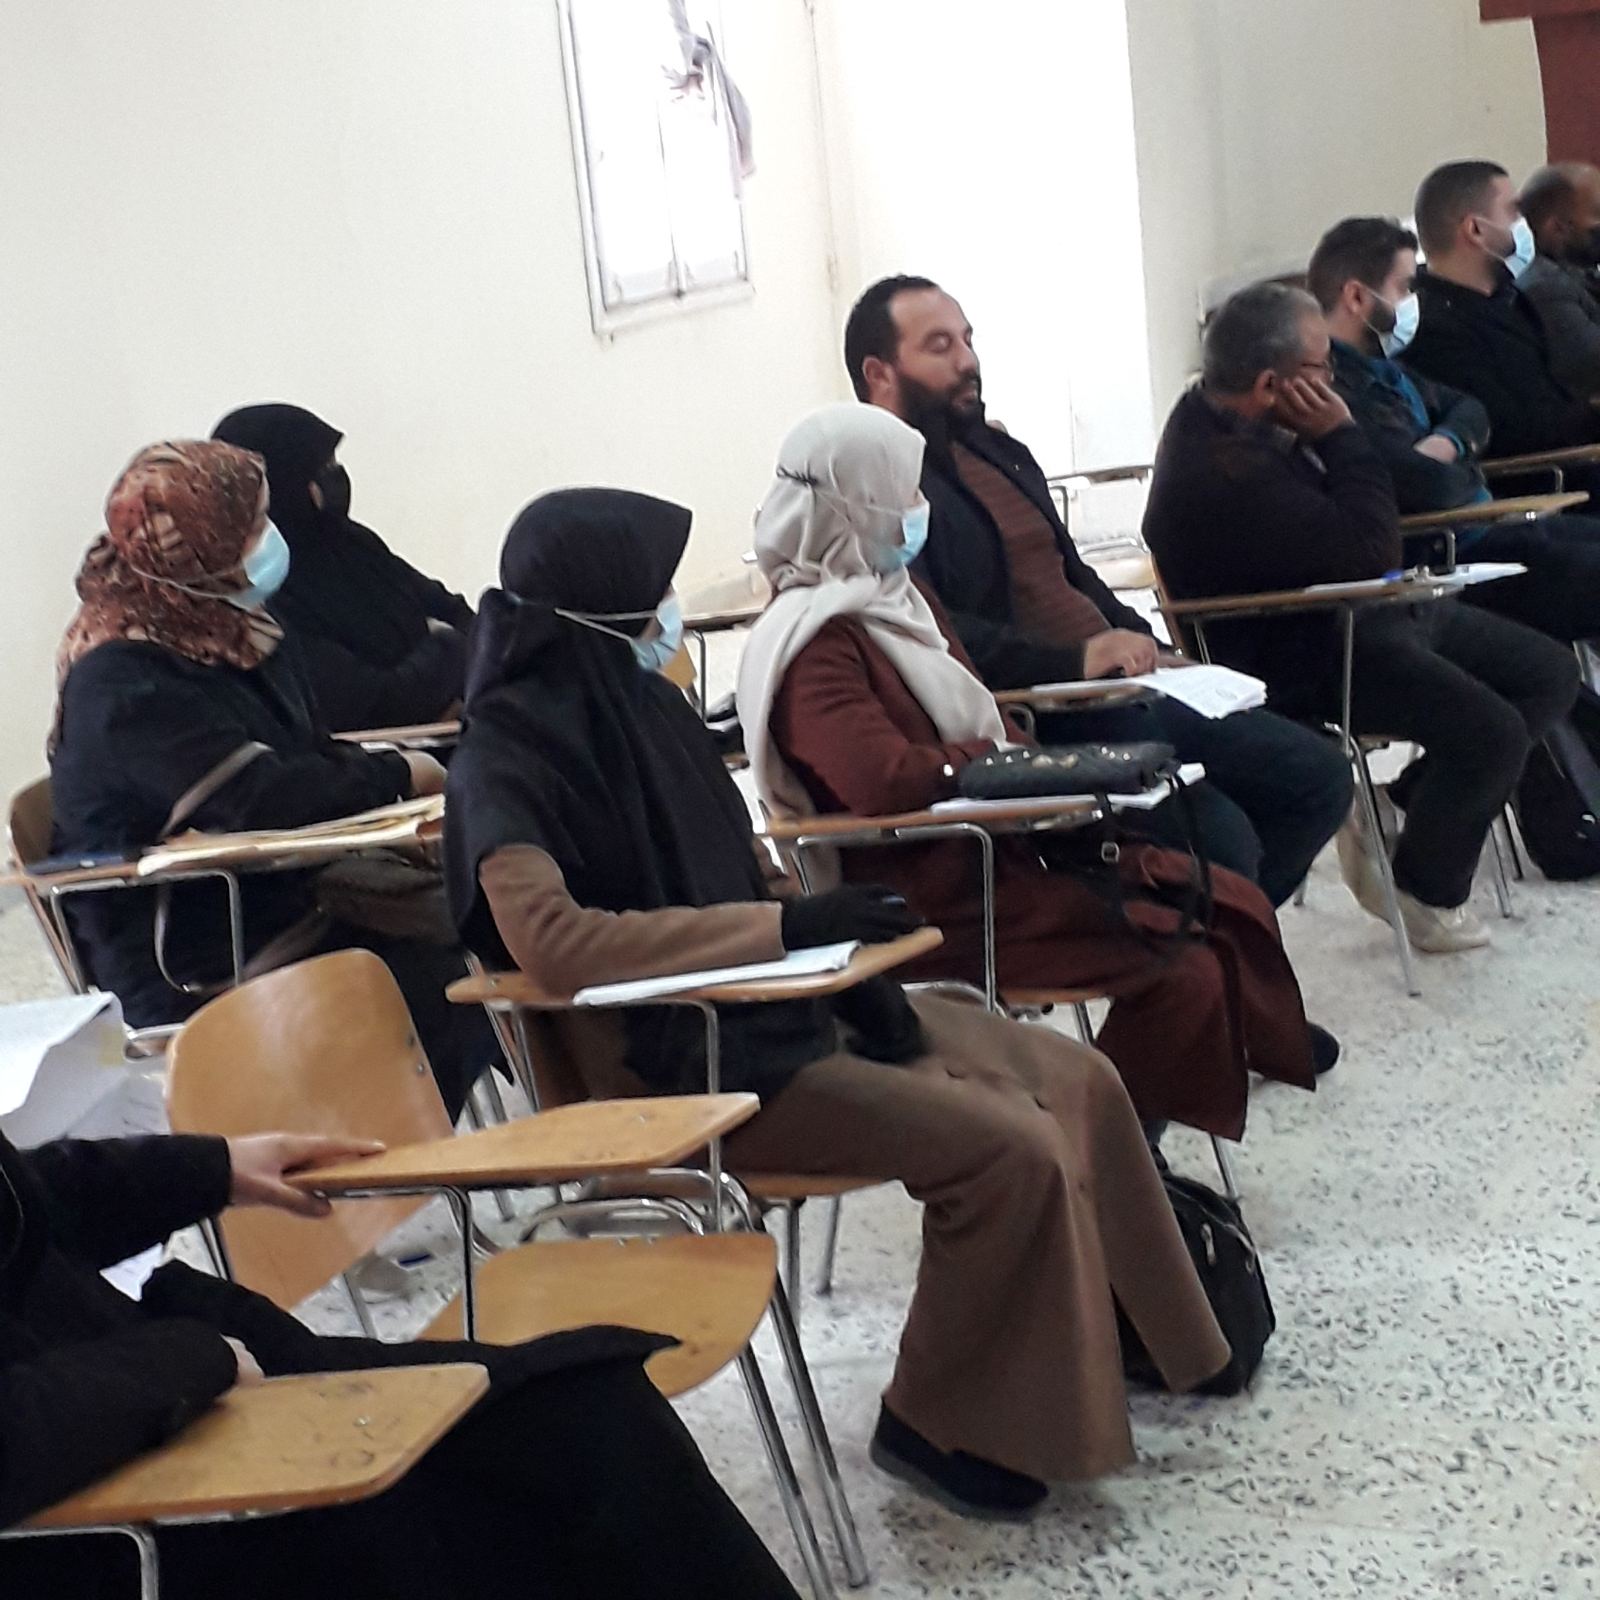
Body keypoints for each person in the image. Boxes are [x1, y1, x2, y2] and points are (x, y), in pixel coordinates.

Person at [443, 485, 1232, 1520]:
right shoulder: (502, 758)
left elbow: (741, 871)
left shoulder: (647, 712)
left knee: (1076, 1076)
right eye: (653, 595)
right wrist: (781, 934)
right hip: (681, 1062)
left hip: (783, 1006)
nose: (670, 615)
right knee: (1007, 1147)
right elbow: (555, 945)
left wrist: (838, 953)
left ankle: (1151, 1337)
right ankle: (934, 1419)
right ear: (596, 613)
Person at [736, 401, 1321, 1134]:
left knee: (1222, 900)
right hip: (930, 890)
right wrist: (993, 763)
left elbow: (978, 712)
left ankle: (1117, 1145)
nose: (917, 510)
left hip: (1003, 854)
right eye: (902, 493)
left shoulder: (898, 601)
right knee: (1186, 963)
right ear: (856, 507)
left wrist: (1043, 768)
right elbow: (881, 780)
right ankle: (1100, 1154)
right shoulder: (813, 643)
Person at [0, 1126, 802, 1600]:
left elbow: (24, 1200)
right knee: (563, 1468)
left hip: (150, 1405)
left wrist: (211, 1166)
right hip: (97, 1517)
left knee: (585, 1413)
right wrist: (189, 1356)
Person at [842, 274, 1352, 911]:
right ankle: (1196, 948)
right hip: (1046, 711)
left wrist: (1144, 642)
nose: (967, 360)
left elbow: (1071, 574)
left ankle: (1214, 945)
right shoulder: (877, 490)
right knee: (1224, 839)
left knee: (1320, 777)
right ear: (879, 373)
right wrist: (1074, 661)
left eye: (968, 340)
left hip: (1122, 686)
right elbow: (925, 633)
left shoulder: (997, 451)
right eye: (939, 346)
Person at [48, 440, 493, 1115]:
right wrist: (399, 774)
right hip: (193, 940)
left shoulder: (234, 626)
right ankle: (380, 1159)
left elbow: (303, 755)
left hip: (285, 888)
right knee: (433, 985)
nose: (268, 538)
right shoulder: (120, 680)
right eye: (251, 524)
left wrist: (391, 779)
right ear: (196, 547)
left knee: (484, 918)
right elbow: (260, 797)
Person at [1143, 282, 1579, 953]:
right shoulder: (1222, 466)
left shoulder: (1263, 420)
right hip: (1308, 648)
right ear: (1272, 384)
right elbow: (1372, 546)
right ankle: (1425, 889)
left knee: (1547, 673)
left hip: (1368, 612)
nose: (1333, 382)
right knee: (1491, 733)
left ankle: (1414, 806)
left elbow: (1398, 505)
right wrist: (1343, 435)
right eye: (1323, 367)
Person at [1311, 214, 1600, 644]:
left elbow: (1471, 410)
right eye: (1405, 288)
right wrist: (1462, 461)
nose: (1414, 302)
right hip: (1452, 555)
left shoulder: (1390, 368)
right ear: (1356, 296)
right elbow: (1427, 485)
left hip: (1493, 525)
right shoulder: (1332, 389)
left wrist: (1447, 442)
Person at [212, 404, 474, 731]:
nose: (335, 476)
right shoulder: (262, 586)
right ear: (282, 480)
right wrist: (449, 645)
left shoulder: (351, 542)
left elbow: (462, 616)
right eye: (321, 467)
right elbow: (379, 703)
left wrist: (449, 652)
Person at [1404, 160, 1600, 468]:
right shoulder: (1432, 328)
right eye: (1514, 213)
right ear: (1476, 229)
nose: (1526, 224)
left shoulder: (1510, 298)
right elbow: (1513, 432)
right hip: (1547, 477)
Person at [1518, 164, 1600, 400]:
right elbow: (1593, 366)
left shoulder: (1579, 272)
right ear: (1557, 228)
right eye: (1597, 212)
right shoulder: (1545, 287)